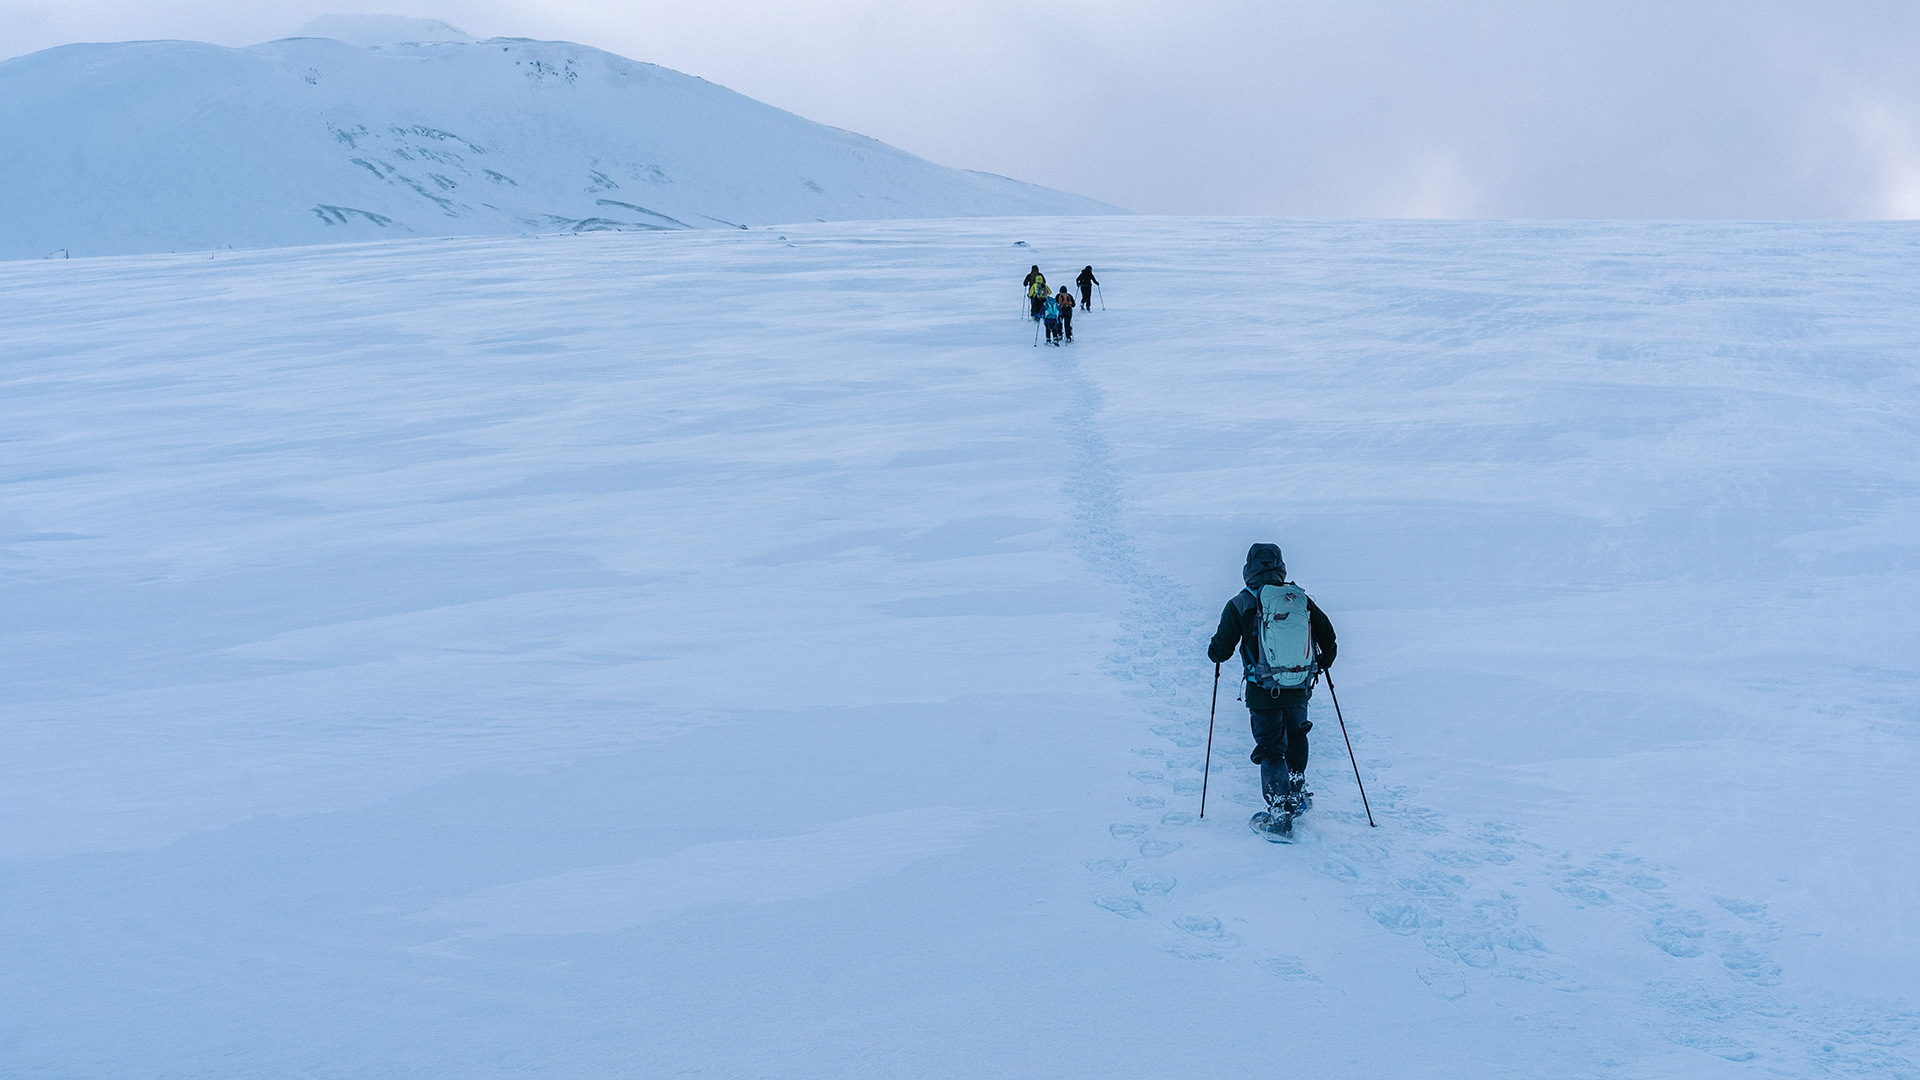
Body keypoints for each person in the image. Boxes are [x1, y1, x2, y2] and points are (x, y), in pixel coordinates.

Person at [1206, 543, 1337, 814]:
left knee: (1271, 748)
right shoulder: (1298, 599)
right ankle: (1296, 792)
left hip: (1262, 691)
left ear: (1248, 569)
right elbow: (1328, 636)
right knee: (1297, 735)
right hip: (1298, 686)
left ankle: (1279, 812)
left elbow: (1221, 651)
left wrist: (1214, 652)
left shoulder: (1240, 603)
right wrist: (1322, 663)